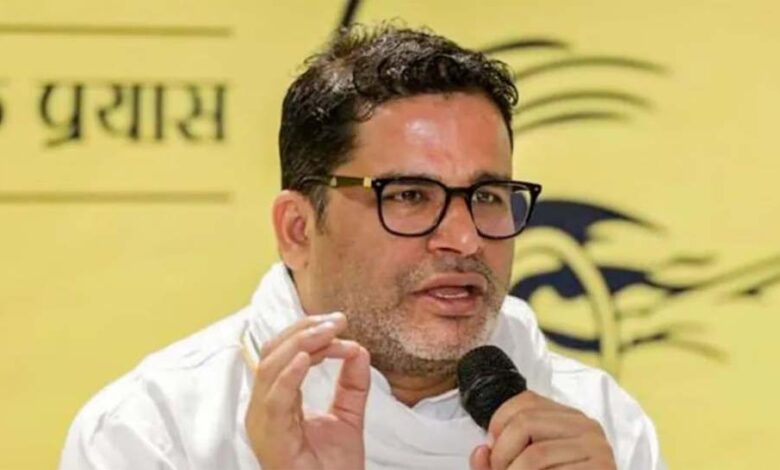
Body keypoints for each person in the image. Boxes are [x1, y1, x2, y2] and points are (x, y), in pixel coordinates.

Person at [60, 24, 664, 470]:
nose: (464, 239)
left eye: (485, 196)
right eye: (409, 196)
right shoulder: (155, 432)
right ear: (298, 230)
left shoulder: (598, 426)